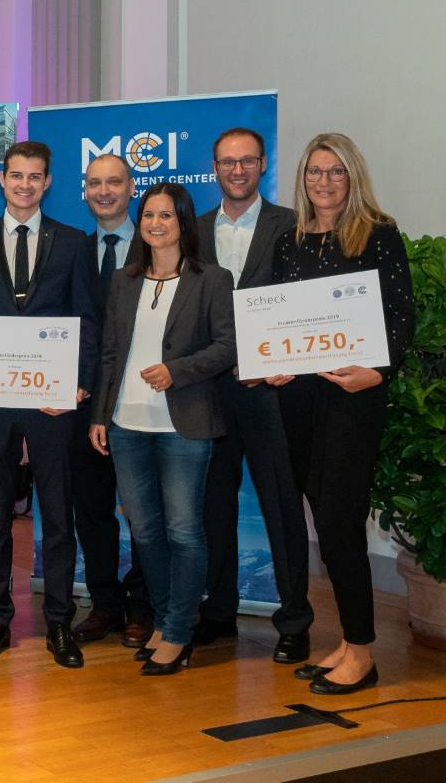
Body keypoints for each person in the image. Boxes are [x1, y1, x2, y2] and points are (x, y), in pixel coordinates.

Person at [269, 133, 414, 695]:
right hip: (298, 397)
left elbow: (400, 313)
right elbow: (281, 318)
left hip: (354, 394)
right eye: (313, 172)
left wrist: (377, 371)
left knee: (338, 520)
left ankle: (365, 654)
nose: (323, 182)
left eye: (335, 172)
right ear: (303, 179)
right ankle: (350, 642)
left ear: (352, 177)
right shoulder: (292, 239)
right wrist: (275, 361)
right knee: (321, 517)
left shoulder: (378, 233)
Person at [0, 140, 98, 668]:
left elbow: (88, 321)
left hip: (51, 406)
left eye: (34, 177)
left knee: (58, 516)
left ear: (48, 182)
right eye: (16, 176)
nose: (24, 185)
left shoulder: (74, 243)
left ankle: (60, 622)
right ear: (2, 179)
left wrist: (79, 385)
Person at [89, 182, 235, 676]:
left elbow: (227, 347)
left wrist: (179, 370)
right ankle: (167, 620)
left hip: (184, 426)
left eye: (165, 216)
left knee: (184, 531)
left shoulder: (212, 279)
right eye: (148, 214)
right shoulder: (126, 281)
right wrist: (99, 417)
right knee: (146, 531)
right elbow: (111, 353)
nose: (154, 223)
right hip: (127, 423)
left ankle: (177, 632)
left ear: (183, 222)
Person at [194, 127, 314, 664]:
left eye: (247, 161)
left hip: (272, 392)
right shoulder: (192, 230)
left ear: (262, 164)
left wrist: (285, 362)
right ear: (214, 167)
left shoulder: (294, 225)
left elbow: (304, 304)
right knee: (212, 506)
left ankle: (293, 621)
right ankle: (218, 612)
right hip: (211, 393)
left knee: (281, 505)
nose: (237, 170)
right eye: (227, 162)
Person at [73, 154, 153, 648]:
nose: (105, 192)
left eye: (115, 182)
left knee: (144, 509)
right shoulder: (71, 250)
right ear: (84, 191)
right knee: (92, 508)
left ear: (131, 188)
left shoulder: (157, 246)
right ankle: (104, 604)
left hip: (144, 399)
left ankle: (142, 607)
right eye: (95, 183)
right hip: (83, 402)